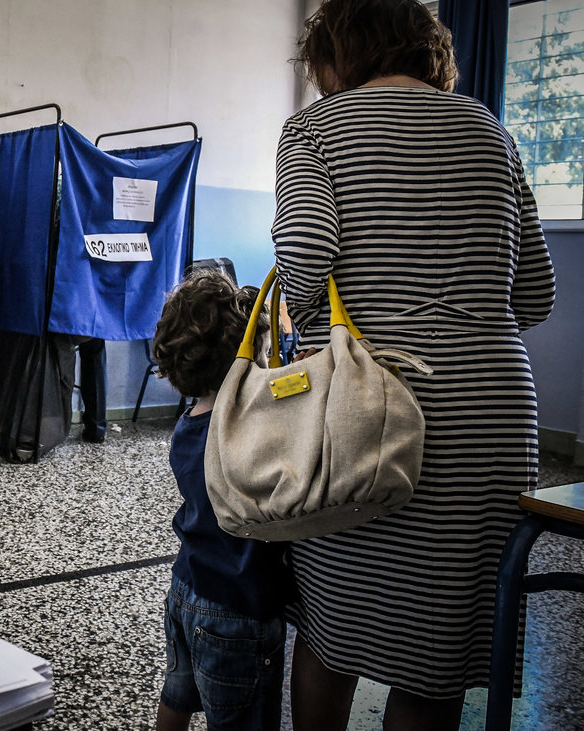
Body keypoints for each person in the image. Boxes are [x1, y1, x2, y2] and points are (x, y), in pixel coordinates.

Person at [272, 2, 556, 729]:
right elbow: (537, 294)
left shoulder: (315, 128)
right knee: (437, 650)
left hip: (360, 407)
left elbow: (304, 253)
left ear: (338, 54)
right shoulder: (492, 131)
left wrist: (312, 325)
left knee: (331, 626)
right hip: (487, 415)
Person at [149, 270, 291, 731]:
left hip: (186, 587)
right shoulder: (247, 438)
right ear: (241, 362)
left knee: (176, 696)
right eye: (264, 353)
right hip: (238, 609)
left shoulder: (189, 424)